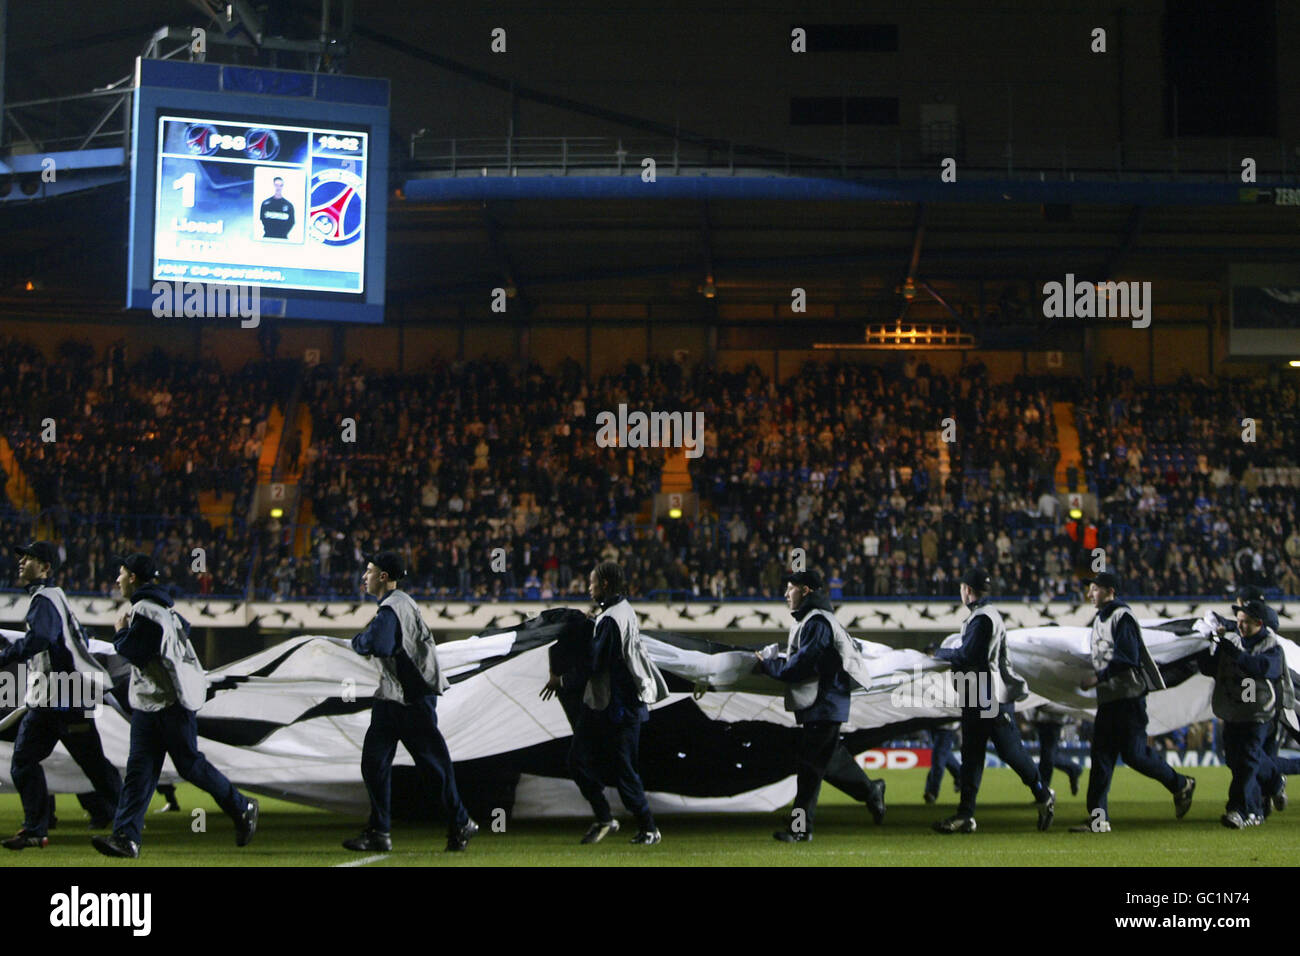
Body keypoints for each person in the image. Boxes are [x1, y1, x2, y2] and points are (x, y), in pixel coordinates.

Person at [92, 553, 259, 858]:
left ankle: (241, 805)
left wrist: (120, 632)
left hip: (168, 703)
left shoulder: (144, 609)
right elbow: (184, 631)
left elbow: (136, 651)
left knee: (189, 766)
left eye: (121, 574)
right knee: (140, 772)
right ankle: (126, 837)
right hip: (155, 703)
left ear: (133, 578)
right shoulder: (164, 609)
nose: (117, 579)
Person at [343, 551, 477, 853]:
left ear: (384, 577)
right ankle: (380, 832)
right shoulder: (397, 604)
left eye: (369, 571)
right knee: (375, 764)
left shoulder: (393, 608)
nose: (364, 576)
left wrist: (357, 641)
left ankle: (461, 822)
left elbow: (378, 643)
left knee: (433, 769)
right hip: (393, 697)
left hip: (412, 698)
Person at [2, 541, 123, 851]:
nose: (22, 562)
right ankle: (125, 820)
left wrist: (6, 655)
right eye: (23, 557)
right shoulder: (56, 598)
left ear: (45, 568)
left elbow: (40, 638)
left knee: (24, 762)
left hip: (57, 695)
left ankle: (36, 829)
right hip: (72, 693)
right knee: (93, 764)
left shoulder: (43, 599)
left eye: (30, 558)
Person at [545, 561, 667, 845]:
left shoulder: (611, 619)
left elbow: (594, 664)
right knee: (583, 761)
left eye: (592, 583)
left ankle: (647, 828)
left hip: (617, 706)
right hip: (606, 703)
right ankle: (605, 817)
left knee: (619, 769)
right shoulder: (620, 611)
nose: (589, 588)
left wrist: (560, 681)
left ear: (605, 585)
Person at [1070, 570, 1196, 833]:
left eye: (1094, 588)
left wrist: (1097, 678)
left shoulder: (1122, 617)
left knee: (1135, 755)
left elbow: (1127, 657)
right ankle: (1097, 819)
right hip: (1110, 699)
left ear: (1110, 591)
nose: (1089, 593)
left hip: (1128, 698)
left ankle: (1180, 783)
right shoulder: (1100, 618)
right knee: (1101, 757)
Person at [931, 567, 1055, 834]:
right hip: (978, 694)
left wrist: (938, 652)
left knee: (1008, 751)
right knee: (972, 756)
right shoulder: (984, 616)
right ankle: (966, 814)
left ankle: (1043, 794)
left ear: (967, 590)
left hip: (986, 696)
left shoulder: (983, 619)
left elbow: (968, 656)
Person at [755, 569, 874, 842]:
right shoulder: (816, 620)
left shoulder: (817, 623)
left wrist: (767, 666)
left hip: (825, 703)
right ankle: (871, 792)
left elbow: (799, 667)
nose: (786, 594)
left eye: (790, 588)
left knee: (809, 768)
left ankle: (801, 828)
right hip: (825, 703)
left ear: (805, 590)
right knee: (822, 763)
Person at [1195, 598, 1293, 828]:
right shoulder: (1234, 641)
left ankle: (1239, 810)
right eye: (1239, 621)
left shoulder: (1272, 647)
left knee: (1248, 760)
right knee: (1236, 760)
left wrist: (1233, 653)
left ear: (1259, 623)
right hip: (1234, 711)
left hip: (1259, 712)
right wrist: (1204, 646)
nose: (1240, 626)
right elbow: (1210, 668)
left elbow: (1262, 668)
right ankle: (1274, 782)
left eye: (1246, 622)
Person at [1029, 704, 1082, 796]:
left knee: (1047, 756)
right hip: (1043, 719)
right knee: (1050, 755)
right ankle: (1074, 769)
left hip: (1053, 720)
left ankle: (1043, 792)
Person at [923, 720, 962, 804]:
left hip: (946, 727)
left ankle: (932, 792)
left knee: (938, 758)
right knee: (944, 755)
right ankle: (961, 776)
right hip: (935, 725)